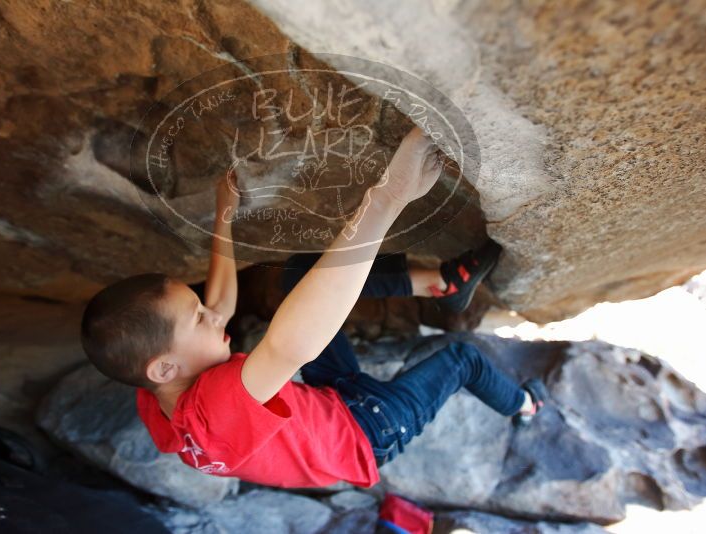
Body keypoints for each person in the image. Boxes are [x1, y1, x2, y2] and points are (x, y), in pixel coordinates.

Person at [80, 126, 547, 489]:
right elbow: (290, 345)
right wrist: (386, 198)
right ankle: (525, 405)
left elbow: (221, 303)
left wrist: (224, 216)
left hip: (328, 401)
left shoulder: (155, 398)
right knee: (461, 358)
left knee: (301, 279)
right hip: (368, 431)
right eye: (197, 317)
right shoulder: (215, 413)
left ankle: (442, 286)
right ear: (164, 367)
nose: (213, 313)